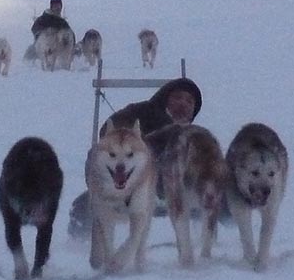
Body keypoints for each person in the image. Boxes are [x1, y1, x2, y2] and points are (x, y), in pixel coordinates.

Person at [66, 77, 204, 238]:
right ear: (165, 98)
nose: (183, 104)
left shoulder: (196, 136)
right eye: (178, 97)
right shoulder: (142, 112)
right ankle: (81, 246)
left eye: (189, 101)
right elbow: (110, 132)